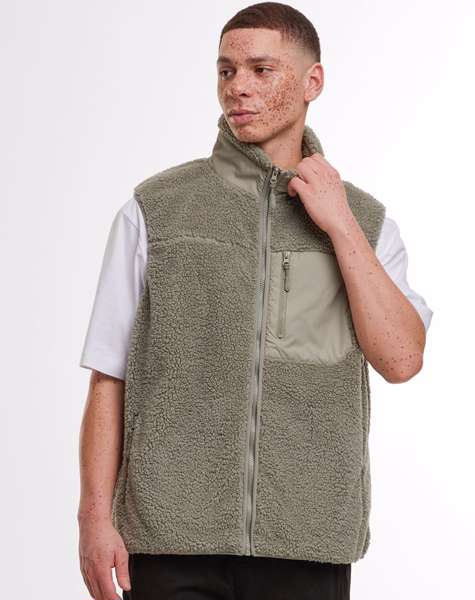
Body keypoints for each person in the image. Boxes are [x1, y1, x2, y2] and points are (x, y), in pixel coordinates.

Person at [77, 3, 433, 599]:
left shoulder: (367, 224)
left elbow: (401, 359)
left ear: (312, 82)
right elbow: (108, 375)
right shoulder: (156, 210)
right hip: (168, 540)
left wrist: (339, 224)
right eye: (226, 70)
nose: (237, 87)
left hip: (307, 541)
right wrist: (93, 518)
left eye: (261, 70)